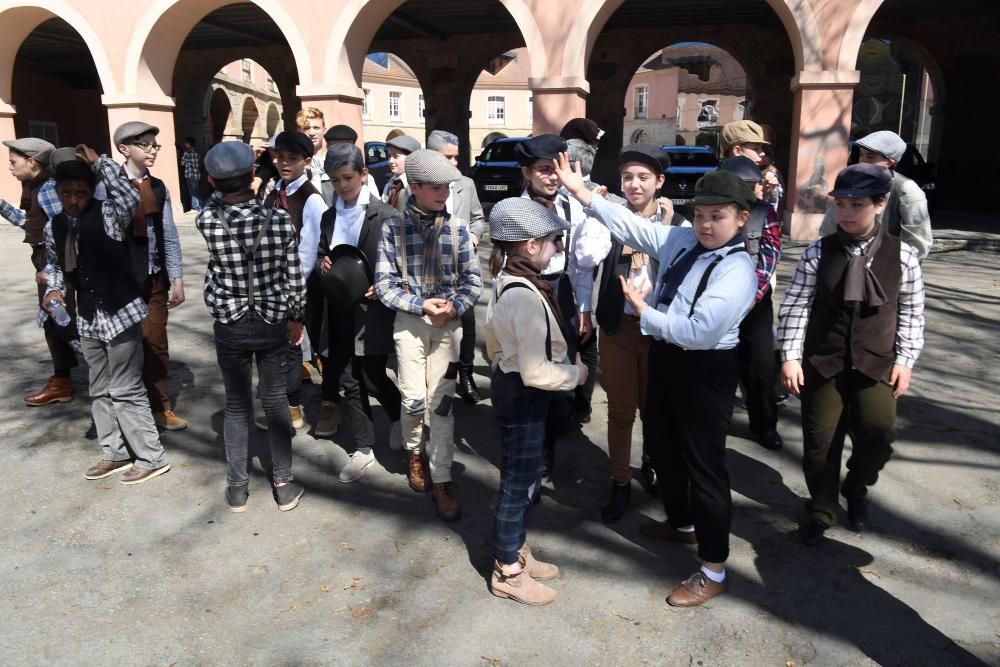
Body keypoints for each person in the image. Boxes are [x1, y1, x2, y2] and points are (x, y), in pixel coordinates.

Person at [556, 155, 758, 608]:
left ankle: (714, 568)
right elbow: (628, 226)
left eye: (718, 216)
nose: (706, 225)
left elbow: (700, 331)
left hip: (705, 369)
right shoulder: (681, 239)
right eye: (702, 214)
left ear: (741, 218)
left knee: (704, 467)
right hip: (667, 358)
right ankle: (682, 524)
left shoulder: (737, 269)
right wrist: (581, 192)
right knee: (664, 447)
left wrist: (645, 312)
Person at [778, 163, 925, 545]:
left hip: (877, 362)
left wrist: (906, 361)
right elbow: (797, 305)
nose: (845, 212)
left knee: (878, 436)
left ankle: (857, 487)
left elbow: (911, 312)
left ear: (879, 204)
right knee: (820, 443)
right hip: (823, 362)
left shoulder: (903, 256)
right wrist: (790, 355)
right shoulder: (818, 253)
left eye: (855, 204)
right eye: (840, 204)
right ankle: (822, 509)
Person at [46, 146, 170, 484]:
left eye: (81, 192)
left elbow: (130, 196)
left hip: (120, 312)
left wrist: (101, 163)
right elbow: (55, 265)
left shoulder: (109, 215)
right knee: (99, 388)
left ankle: (150, 456)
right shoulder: (55, 225)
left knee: (126, 388)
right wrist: (53, 290)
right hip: (88, 317)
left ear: (92, 190)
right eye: (67, 193)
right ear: (58, 192)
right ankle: (114, 452)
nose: (74, 199)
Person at [485, 197, 587, 605]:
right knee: (518, 484)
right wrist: (578, 375)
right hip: (523, 393)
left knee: (522, 478)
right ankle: (507, 570)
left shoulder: (513, 277)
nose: (558, 248)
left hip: (516, 390)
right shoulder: (524, 294)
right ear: (529, 245)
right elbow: (535, 371)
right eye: (553, 240)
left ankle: (516, 551)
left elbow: (497, 344)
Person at [196, 140, 306, 512]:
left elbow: (213, 201)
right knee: (275, 401)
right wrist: (297, 315)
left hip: (230, 321)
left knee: (237, 404)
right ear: (252, 176)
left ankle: (238, 487)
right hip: (273, 319)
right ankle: (283, 483)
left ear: (212, 181)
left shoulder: (207, 220)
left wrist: (225, 184)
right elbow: (294, 275)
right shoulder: (278, 220)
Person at [375, 149, 482, 521]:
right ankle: (413, 451)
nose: (443, 194)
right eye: (436, 187)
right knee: (412, 399)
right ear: (414, 187)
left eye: (447, 187)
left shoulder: (459, 229)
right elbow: (384, 285)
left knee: (442, 405)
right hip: (411, 322)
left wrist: (454, 307)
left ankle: (442, 477)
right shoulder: (393, 228)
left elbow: (474, 281)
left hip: (449, 327)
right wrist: (421, 306)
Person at [593, 144, 688, 523]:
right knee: (619, 411)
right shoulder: (609, 217)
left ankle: (651, 462)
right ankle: (619, 481)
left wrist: (661, 229)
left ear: (659, 182)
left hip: (658, 331)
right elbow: (586, 265)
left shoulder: (677, 225)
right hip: (618, 326)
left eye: (643, 177)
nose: (634, 185)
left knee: (654, 409)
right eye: (628, 177)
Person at [517, 134, 610, 478]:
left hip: (565, 292)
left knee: (562, 379)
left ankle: (552, 435)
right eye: (544, 169)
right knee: (532, 375)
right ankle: (538, 451)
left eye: (558, 168)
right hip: (529, 292)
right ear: (527, 172)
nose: (553, 176)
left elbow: (582, 266)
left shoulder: (573, 205)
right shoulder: (515, 210)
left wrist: (584, 308)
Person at [315, 143, 402, 481]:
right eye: (335, 180)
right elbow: (327, 252)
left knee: (372, 375)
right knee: (349, 378)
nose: (342, 186)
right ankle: (363, 448)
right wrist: (324, 260)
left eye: (348, 178)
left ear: (364, 175)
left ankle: (397, 416)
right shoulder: (329, 216)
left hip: (374, 309)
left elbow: (401, 264)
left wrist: (385, 285)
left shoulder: (387, 217)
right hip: (339, 307)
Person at [114, 122, 188, 431]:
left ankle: (161, 406)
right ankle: (130, 411)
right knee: (125, 349)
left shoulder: (158, 187)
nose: (151, 150)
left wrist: (178, 276)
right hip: (120, 281)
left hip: (155, 277)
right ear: (124, 149)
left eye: (154, 145)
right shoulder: (108, 186)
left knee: (156, 342)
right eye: (144, 145)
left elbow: (169, 235)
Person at [1, 137, 80, 406]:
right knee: (54, 319)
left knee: (61, 319)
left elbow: (64, 230)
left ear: (32, 162)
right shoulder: (34, 187)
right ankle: (64, 379)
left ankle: (83, 372)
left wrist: (50, 268)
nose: (10, 167)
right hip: (44, 261)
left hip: (52, 263)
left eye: (14, 162)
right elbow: (31, 223)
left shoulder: (46, 189)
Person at [257, 130, 324, 431]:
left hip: (297, 285)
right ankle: (280, 402)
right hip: (270, 281)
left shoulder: (311, 199)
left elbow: (308, 250)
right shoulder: (274, 192)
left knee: (293, 344)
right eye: (280, 157)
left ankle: (293, 407)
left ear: (306, 161)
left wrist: (290, 286)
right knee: (277, 345)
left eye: (292, 159)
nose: (284, 163)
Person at [718, 156, 784, 451]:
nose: (746, 191)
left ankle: (765, 424)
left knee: (760, 365)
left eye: (751, 185)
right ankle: (716, 422)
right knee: (718, 366)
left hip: (755, 303)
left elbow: (769, 256)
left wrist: (749, 296)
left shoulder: (764, 212)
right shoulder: (712, 210)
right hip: (718, 300)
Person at [427, 129, 488, 404]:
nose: (453, 164)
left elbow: (478, 217)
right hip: (430, 271)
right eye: (447, 157)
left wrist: (474, 237)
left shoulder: (466, 184)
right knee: (435, 324)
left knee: (468, 322)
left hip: (463, 268)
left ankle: (466, 374)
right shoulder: (416, 186)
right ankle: (437, 378)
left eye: (456, 157)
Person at [818, 130, 933, 261]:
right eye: (861, 155)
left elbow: (918, 242)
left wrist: (896, 267)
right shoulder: (850, 183)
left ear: (890, 161)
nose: (862, 161)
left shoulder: (906, 189)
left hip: (888, 267)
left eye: (870, 157)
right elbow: (829, 230)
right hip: (846, 261)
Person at [323, 124, 379, 194]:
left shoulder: (367, 179)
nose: (342, 185)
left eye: (345, 148)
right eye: (335, 149)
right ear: (327, 148)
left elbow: (376, 204)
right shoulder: (320, 181)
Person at [296, 107, 330, 203]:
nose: (312, 133)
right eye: (306, 128)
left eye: (316, 128)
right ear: (299, 130)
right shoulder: (294, 161)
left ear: (324, 130)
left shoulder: (333, 158)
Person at [381, 135, 420, 213]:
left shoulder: (417, 187)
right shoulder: (390, 185)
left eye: (396, 156)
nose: (390, 161)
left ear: (411, 158)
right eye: (389, 156)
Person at [180, 137, 202, 211]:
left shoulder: (187, 153)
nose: (185, 144)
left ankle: (195, 207)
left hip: (190, 175)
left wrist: (184, 161)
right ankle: (200, 206)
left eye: (186, 143)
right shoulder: (197, 152)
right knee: (197, 191)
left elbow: (182, 163)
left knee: (192, 192)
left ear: (188, 144)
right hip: (197, 175)